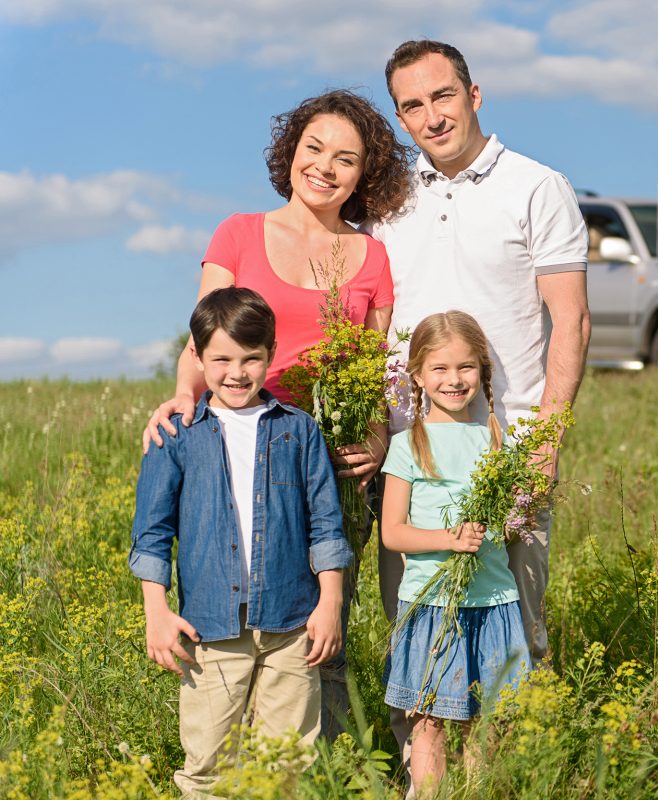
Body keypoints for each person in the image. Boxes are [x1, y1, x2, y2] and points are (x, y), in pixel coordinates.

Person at [141, 89, 412, 736]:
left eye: (345, 158)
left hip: (325, 458)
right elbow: (199, 343)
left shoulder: (371, 256)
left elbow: (371, 365)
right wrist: (185, 396)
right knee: (233, 622)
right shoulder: (238, 232)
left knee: (322, 634)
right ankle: (229, 761)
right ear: (290, 151)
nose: (324, 166)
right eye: (313, 148)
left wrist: (375, 437)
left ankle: (330, 771)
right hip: (234, 441)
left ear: (362, 174)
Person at [368, 36, 589, 678]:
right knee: (413, 634)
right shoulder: (387, 198)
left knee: (516, 641)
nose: (432, 117)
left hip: (507, 448)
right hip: (413, 452)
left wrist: (544, 442)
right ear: (401, 119)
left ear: (473, 95)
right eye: (412, 107)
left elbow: (571, 321)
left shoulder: (537, 187)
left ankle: (508, 769)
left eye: (442, 96)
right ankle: (424, 773)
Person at [129, 287, 352, 796]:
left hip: (293, 624)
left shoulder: (300, 431)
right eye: (221, 358)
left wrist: (331, 602)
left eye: (251, 359)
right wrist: (156, 613)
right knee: (208, 763)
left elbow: (325, 525)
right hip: (209, 628)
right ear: (197, 357)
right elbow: (152, 532)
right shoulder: (176, 434)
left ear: (270, 355)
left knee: (285, 766)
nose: (237, 372)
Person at [378, 311, 529, 796]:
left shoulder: (497, 443)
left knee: (485, 723)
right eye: (439, 369)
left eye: (465, 367)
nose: (454, 379)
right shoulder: (407, 445)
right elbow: (393, 534)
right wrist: (449, 539)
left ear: (482, 372)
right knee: (428, 722)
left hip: (492, 600)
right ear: (417, 375)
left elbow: (505, 527)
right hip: (431, 604)